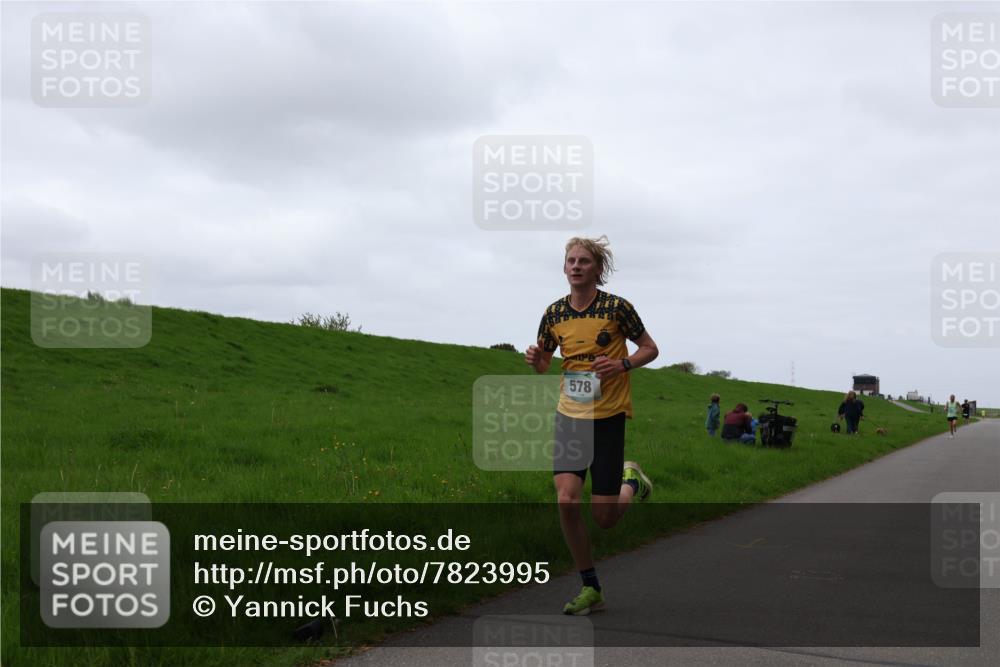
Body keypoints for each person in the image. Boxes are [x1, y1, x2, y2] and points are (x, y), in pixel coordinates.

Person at [525, 235, 659, 616]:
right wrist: (535, 357)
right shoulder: (553, 314)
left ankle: (631, 482)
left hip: (608, 417)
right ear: (564, 267)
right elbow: (544, 364)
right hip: (570, 414)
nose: (576, 266)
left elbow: (650, 347)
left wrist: (622, 364)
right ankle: (590, 587)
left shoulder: (617, 308)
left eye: (584, 261)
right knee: (566, 498)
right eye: (571, 260)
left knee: (604, 518)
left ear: (598, 269)